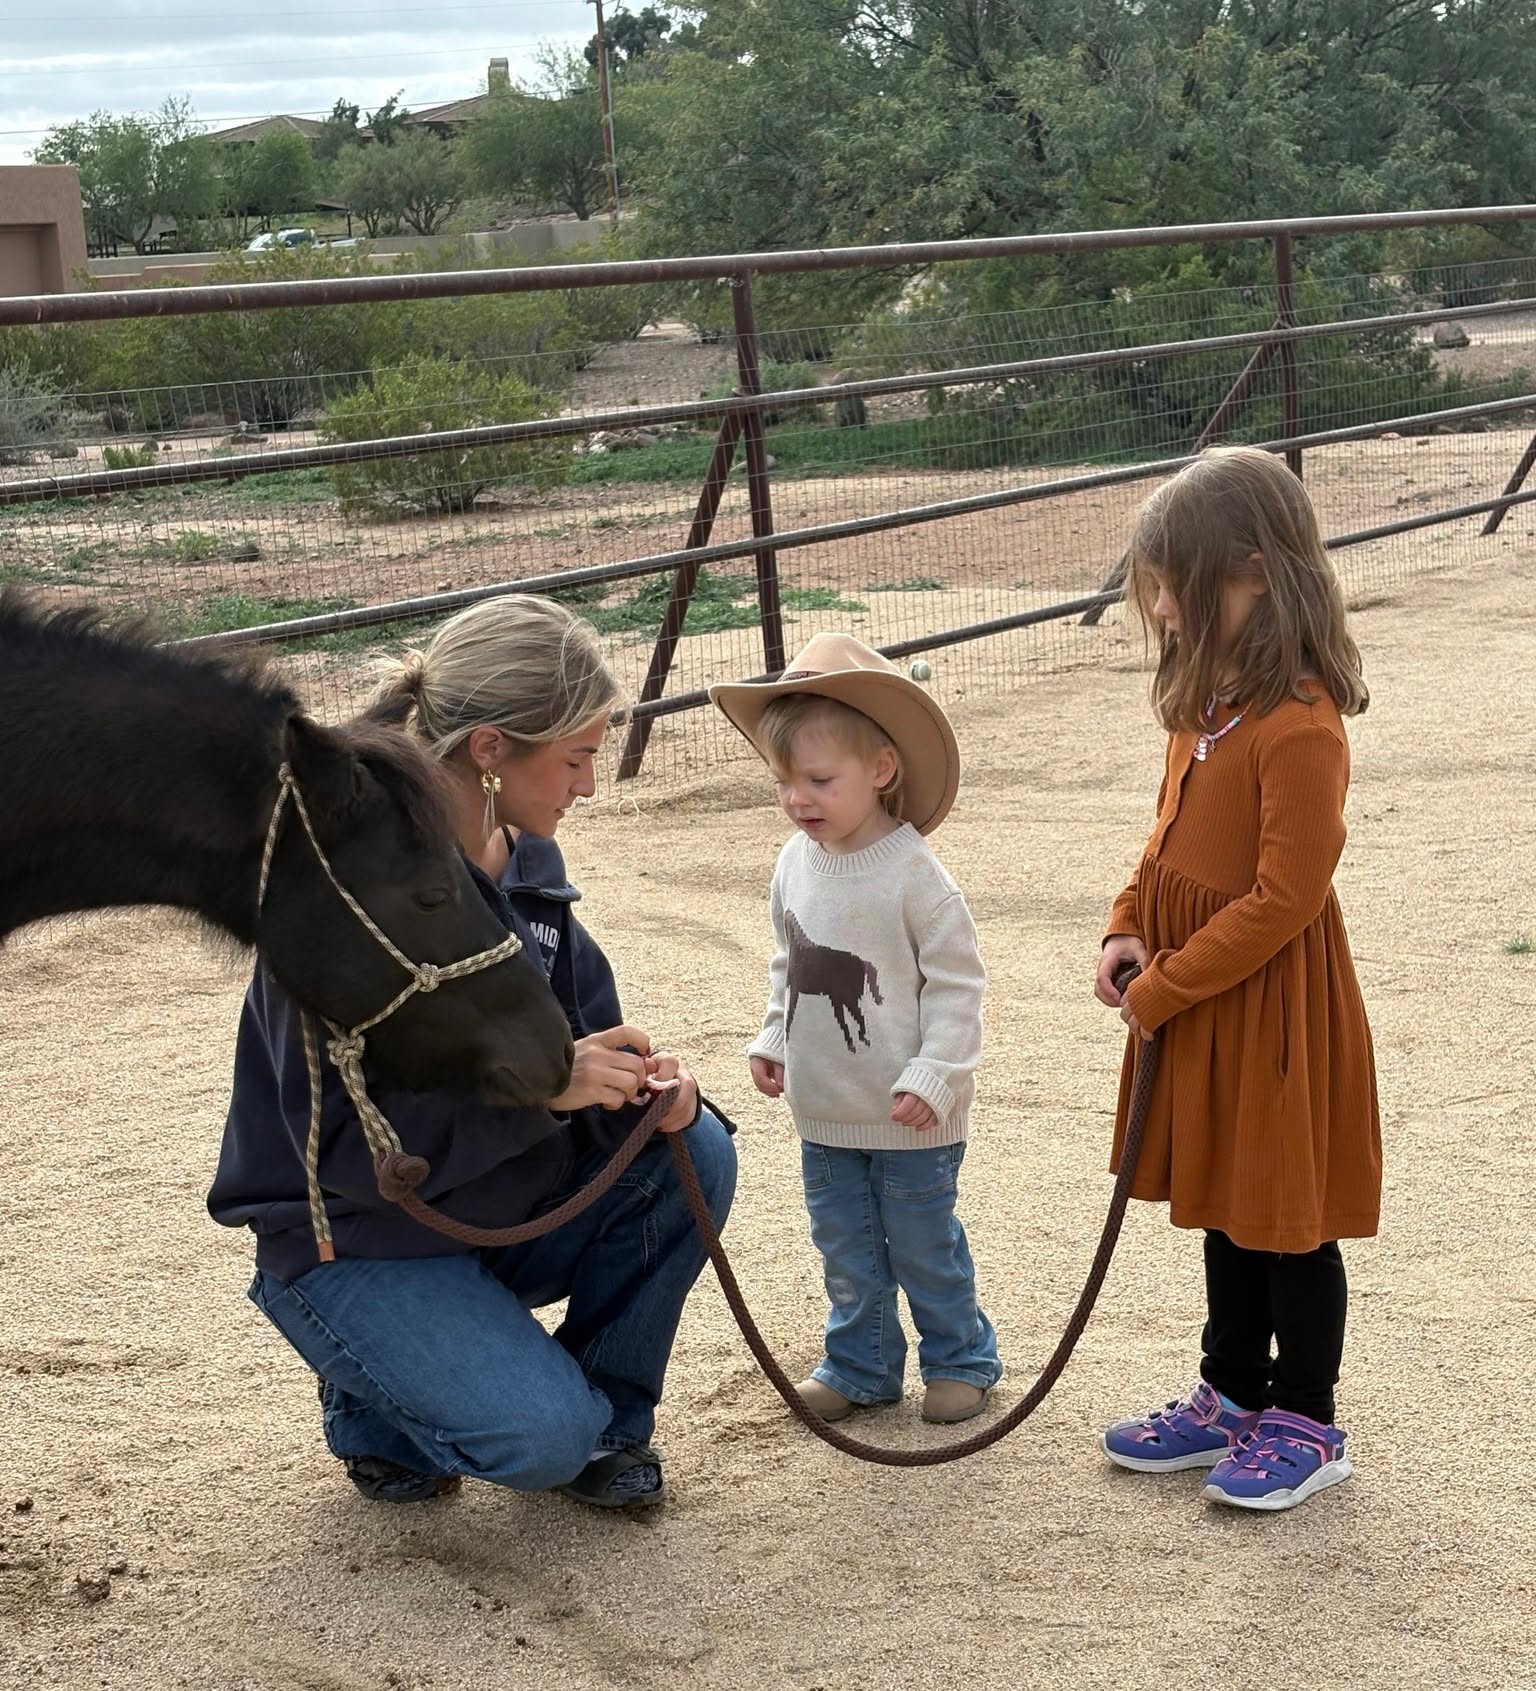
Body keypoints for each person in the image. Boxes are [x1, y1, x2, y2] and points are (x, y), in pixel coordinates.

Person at [209, 594, 737, 1511]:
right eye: (576, 758)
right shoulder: (344, 897)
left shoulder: (525, 862)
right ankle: (372, 1400)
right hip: (362, 1236)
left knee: (695, 1151)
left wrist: (640, 1088)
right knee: (536, 1442)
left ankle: (607, 1426)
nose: (589, 785)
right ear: (490, 750)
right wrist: (545, 1091)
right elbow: (339, 1141)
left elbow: (576, 1039)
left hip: (499, 1206)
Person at [1096, 446, 1380, 1512]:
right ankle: (1230, 1388)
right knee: (1225, 1196)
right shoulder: (1199, 704)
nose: (1162, 608)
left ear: (1256, 571)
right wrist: (1129, 925)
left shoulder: (1300, 726)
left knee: (1285, 1212)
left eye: (1177, 582)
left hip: (1267, 1011)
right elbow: (1163, 843)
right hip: (1197, 996)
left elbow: (1283, 899)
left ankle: (1306, 1412)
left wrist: (1163, 987)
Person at [711, 632, 1001, 1426]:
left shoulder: (915, 875)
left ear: (881, 770)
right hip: (826, 1109)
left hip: (911, 1114)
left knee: (920, 1245)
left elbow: (957, 984)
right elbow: (787, 964)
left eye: (818, 779)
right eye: (784, 782)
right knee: (843, 1246)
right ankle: (861, 1365)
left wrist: (937, 1072)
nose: (798, 799)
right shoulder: (793, 864)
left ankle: (962, 1359)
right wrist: (775, 1037)